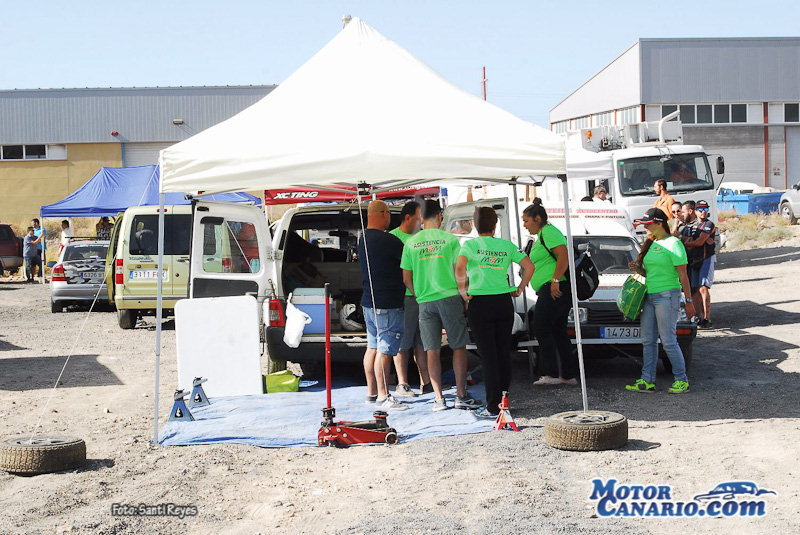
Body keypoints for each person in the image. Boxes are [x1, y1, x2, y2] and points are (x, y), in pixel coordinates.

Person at [401, 199, 482, 411]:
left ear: (420, 217)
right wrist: (465, 296)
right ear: (439, 216)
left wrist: (418, 294)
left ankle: (438, 399)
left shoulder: (411, 242)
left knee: (432, 350)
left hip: (424, 301)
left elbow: (406, 277)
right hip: (449, 298)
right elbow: (459, 271)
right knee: (458, 346)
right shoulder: (450, 240)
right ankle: (461, 395)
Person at [456, 206, 534, 418]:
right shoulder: (506, 245)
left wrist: (463, 292)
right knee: (503, 354)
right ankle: (504, 402)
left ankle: (493, 407)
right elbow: (529, 266)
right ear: (495, 225)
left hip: (480, 302)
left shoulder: (470, 245)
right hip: (503, 302)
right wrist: (520, 287)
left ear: (474, 224)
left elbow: (460, 268)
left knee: (488, 356)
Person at [626, 208, 695, 394]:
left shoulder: (674, 243)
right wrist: (638, 269)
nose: (645, 227)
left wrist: (688, 301)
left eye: (647, 224)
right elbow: (651, 273)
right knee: (648, 340)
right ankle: (647, 380)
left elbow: (683, 275)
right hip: (650, 295)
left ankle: (682, 380)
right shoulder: (651, 243)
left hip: (667, 295)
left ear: (659, 223)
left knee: (668, 341)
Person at [358, 200, 408, 411]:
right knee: (385, 351)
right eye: (388, 213)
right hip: (387, 303)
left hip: (369, 302)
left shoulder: (362, 238)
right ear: (382, 214)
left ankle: (371, 392)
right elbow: (409, 263)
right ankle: (383, 396)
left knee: (372, 347)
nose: (389, 218)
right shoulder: (389, 241)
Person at [522, 199, 578, 386]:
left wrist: (555, 280)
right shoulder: (543, 235)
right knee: (557, 330)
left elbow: (563, 254)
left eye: (527, 221)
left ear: (538, 219)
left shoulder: (549, 232)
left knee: (541, 326)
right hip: (550, 287)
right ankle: (567, 375)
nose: (525, 225)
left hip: (553, 287)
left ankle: (552, 373)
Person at [389, 201, 431, 397]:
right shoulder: (392, 238)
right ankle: (402, 383)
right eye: (418, 217)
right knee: (403, 343)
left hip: (425, 297)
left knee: (422, 343)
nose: (422, 221)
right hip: (403, 298)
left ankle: (427, 382)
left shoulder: (423, 237)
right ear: (407, 218)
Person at [683, 200, 716, 329]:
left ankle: (707, 317)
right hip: (694, 259)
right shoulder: (691, 226)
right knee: (695, 289)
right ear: (695, 211)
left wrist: (690, 242)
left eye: (706, 209)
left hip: (706, 258)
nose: (703, 212)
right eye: (701, 210)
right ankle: (696, 317)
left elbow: (699, 242)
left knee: (703, 287)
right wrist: (690, 241)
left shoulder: (709, 224)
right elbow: (681, 237)